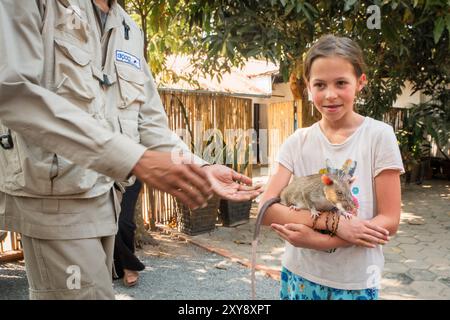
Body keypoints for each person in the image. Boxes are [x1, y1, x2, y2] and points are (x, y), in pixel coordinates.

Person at [0, 0, 261, 299]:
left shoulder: (128, 28)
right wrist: (134, 159)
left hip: (108, 198)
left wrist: (198, 167)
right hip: (54, 202)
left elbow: (149, 124)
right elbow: (13, 93)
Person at [259, 35, 404, 300]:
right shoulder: (297, 141)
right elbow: (266, 210)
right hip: (299, 274)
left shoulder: (379, 136)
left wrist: (322, 239)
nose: (330, 94)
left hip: (355, 281)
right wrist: (333, 223)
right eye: (320, 84)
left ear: (360, 82)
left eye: (341, 83)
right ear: (308, 86)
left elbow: (390, 221)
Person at [113, 179, 145, 287]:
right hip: (101, 178)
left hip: (130, 177)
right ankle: (117, 266)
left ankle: (129, 266)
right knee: (107, 221)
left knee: (123, 222)